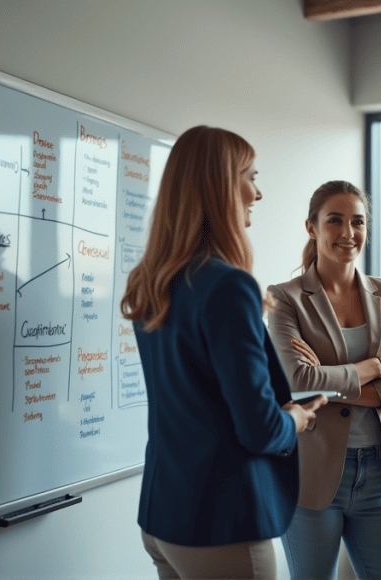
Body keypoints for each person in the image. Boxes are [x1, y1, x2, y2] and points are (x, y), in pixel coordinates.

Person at [120, 125, 325, 580]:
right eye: (250, 176)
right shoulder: (229, 286)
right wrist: (296, 418)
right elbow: (257, 428)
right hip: (221, 521)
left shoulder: (151, 282)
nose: (258, 192)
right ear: (221, 187)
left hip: (163, 517)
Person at [266, 180, 381, 580]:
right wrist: (378, 366)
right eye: (334, 220)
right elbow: (298, 380)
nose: (348, 233)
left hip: (379, 475)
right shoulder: (286, 298)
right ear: (311, 227)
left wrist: (328, 385)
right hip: (309, 475)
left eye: (358, 222)